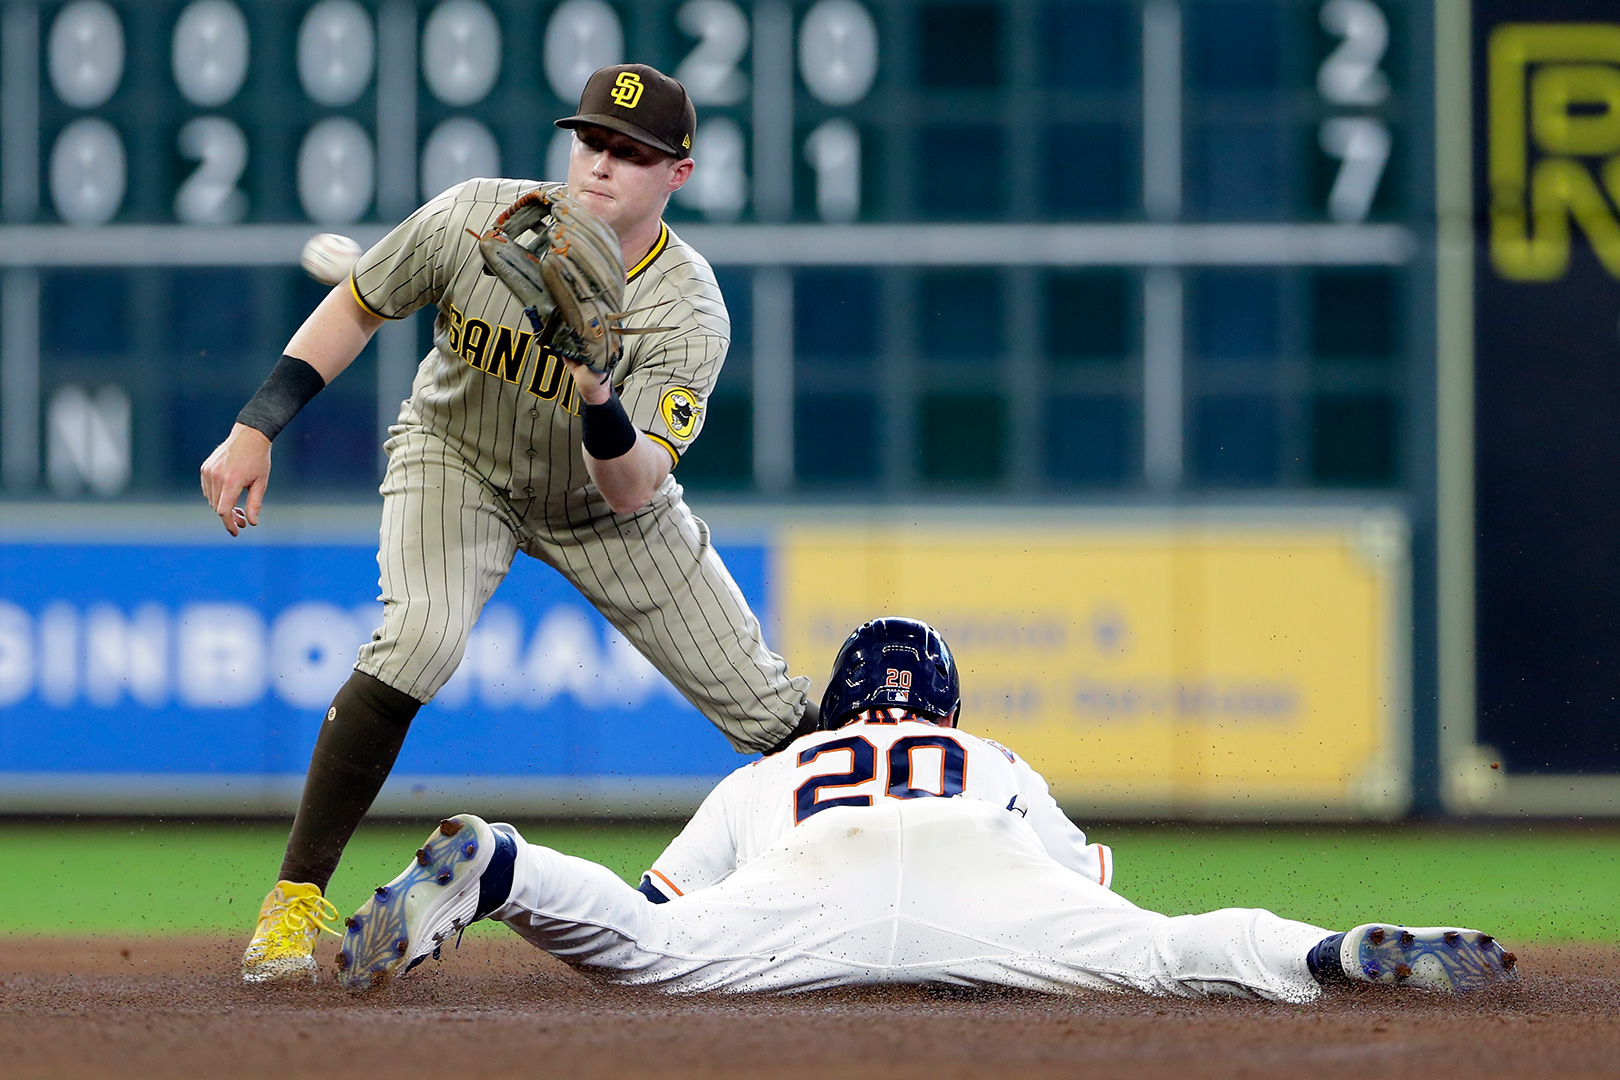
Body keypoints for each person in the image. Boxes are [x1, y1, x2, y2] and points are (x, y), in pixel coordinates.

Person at [202, 64, 818, 986]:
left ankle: (877, 886)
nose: (602, 166)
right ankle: (290, 910)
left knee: (776, 718)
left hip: (605, 510)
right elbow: (358, 302)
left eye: (632, 153)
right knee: (417, 641)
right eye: (593, 143)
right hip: (458, 461)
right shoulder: (476, 215)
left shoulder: (687, 308)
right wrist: (254, 428)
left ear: (676, 175)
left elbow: (630, 485)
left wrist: (596, 384)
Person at [332, 617, 1519, 1001]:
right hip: (985, 869)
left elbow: (654, 906)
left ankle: (504, 871)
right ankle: (1325, 948)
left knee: (646, 952)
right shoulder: (992, 754)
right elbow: (1088, 889)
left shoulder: (766, 774)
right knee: (1164, 952)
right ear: (945, 708)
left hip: (808, 881)